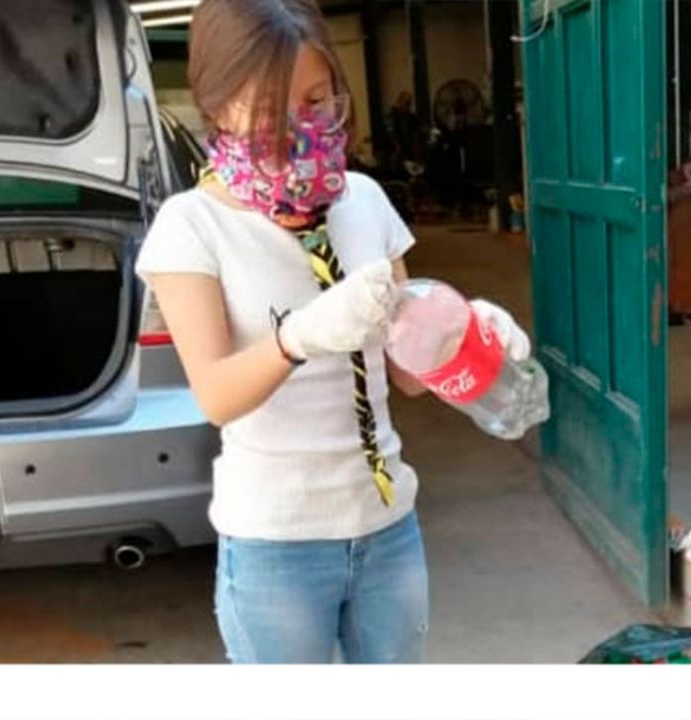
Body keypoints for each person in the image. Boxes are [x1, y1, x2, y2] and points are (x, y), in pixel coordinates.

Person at [136, 0, 526, 663]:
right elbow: (216, 395)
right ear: (218, 105)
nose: (298, 128)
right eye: (269, 111)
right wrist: (299, 339)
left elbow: (406, 374)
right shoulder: (191, 226)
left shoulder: (365, 200)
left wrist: (469, 332)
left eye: (317, 101)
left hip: (387, 529)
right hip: (275, 548)